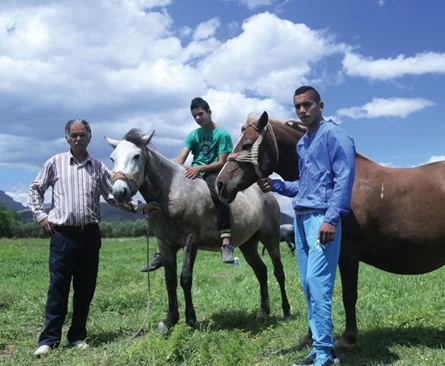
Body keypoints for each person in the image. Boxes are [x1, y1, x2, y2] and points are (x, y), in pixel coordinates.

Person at [28, 119, 160, 357]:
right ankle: (49, 339)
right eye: (73, 135)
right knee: (57, 288)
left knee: (85, 288)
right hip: (62, 234)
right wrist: (40, 217)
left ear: (89, 137)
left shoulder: (98, 167)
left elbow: (113, 196)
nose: (78, 139)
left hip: (89, 235)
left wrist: (142, 208)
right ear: (67, 137)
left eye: (82, 135)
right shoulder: (54, 163)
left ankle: (78, 335)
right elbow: (35, 189)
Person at [258, 86, 356, 366]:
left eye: (307, 105)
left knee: (318, 282)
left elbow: (343, 180)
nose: (302, 110)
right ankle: (319, 346)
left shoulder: (336, 136)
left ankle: (325, 355)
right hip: (301, 219)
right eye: (297, 106)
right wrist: (277, 185)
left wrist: (331, 218)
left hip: (321, 219)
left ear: (320, 105)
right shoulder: (304, 143)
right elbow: (306, 185)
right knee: (306, 284)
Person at [140, 97, 235, 272]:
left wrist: (200, 168)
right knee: (169, 199)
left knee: (219, 194)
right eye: (195, 116)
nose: (198, 118)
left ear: (209, 112)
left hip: (213, 172)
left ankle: (226, 243)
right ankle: (161, 250)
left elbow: (222, 162)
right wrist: (173, 173)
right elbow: (181, 158)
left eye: (200, 114)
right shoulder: (193, 135)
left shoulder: (222, 134)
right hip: (194, 171)